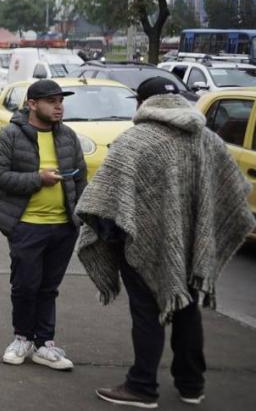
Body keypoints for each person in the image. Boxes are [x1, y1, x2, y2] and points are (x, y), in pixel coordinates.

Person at [76, 77, 254, 408]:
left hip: (141, 246)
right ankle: (191, 385)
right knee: (187, 311)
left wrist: (113, 239)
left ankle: (142, 386)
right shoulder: (207, 139)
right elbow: (234, 190)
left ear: (142, 103)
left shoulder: (134, 141)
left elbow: (101, 203)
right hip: (190, 246)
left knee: (147, 314)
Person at [0, 79, 88, 371]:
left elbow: (80, 178)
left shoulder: (68, 136)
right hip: (26, 225)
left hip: (63, 227)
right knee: (25, 286)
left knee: (49, 288)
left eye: (60, 101)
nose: (59, 107)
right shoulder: (11, 136)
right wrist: (37, 179)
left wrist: (79, 217)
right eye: (51, 101)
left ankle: (44, 344)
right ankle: (22, 338)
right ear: (32, 104)